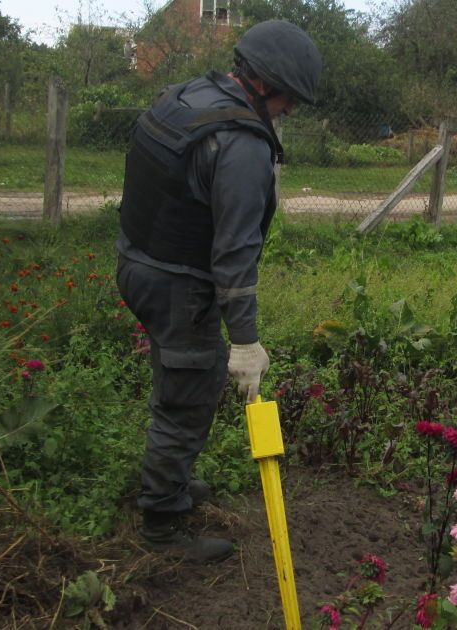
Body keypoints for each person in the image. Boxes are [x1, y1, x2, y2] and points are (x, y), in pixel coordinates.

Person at [115, 20, 322, 562]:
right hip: (179, 286)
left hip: (138, 261)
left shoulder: (187, 95)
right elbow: (234, 255)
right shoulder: (241, 147)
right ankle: (162, 522)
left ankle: (172, 482)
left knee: (180, 379)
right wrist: (246, 341)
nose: (290, 110)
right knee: (187, 401)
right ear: (267, 84)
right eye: (289, 99)